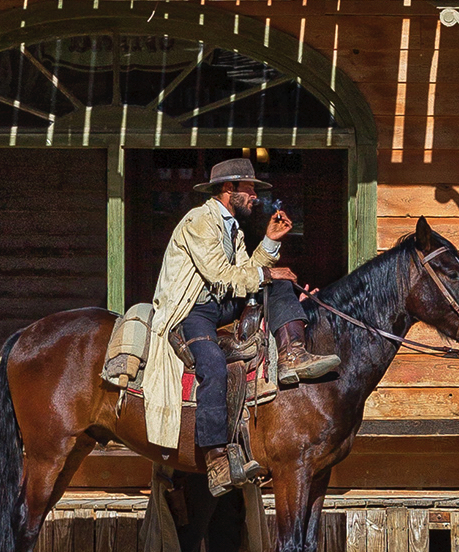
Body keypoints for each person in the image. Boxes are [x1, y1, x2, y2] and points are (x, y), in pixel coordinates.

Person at [143, 156, 339, 498]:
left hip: (222, 304)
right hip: (194, 310)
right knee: (214, 366)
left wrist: (271, 242)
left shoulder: (231, 226)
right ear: (228, 189)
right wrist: (267, 273)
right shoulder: (200, 221)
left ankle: (293, 353)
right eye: (249, 189)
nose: (254, 196)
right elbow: (224, 276)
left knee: (277, 285)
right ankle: (216, 458)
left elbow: (247, 272)